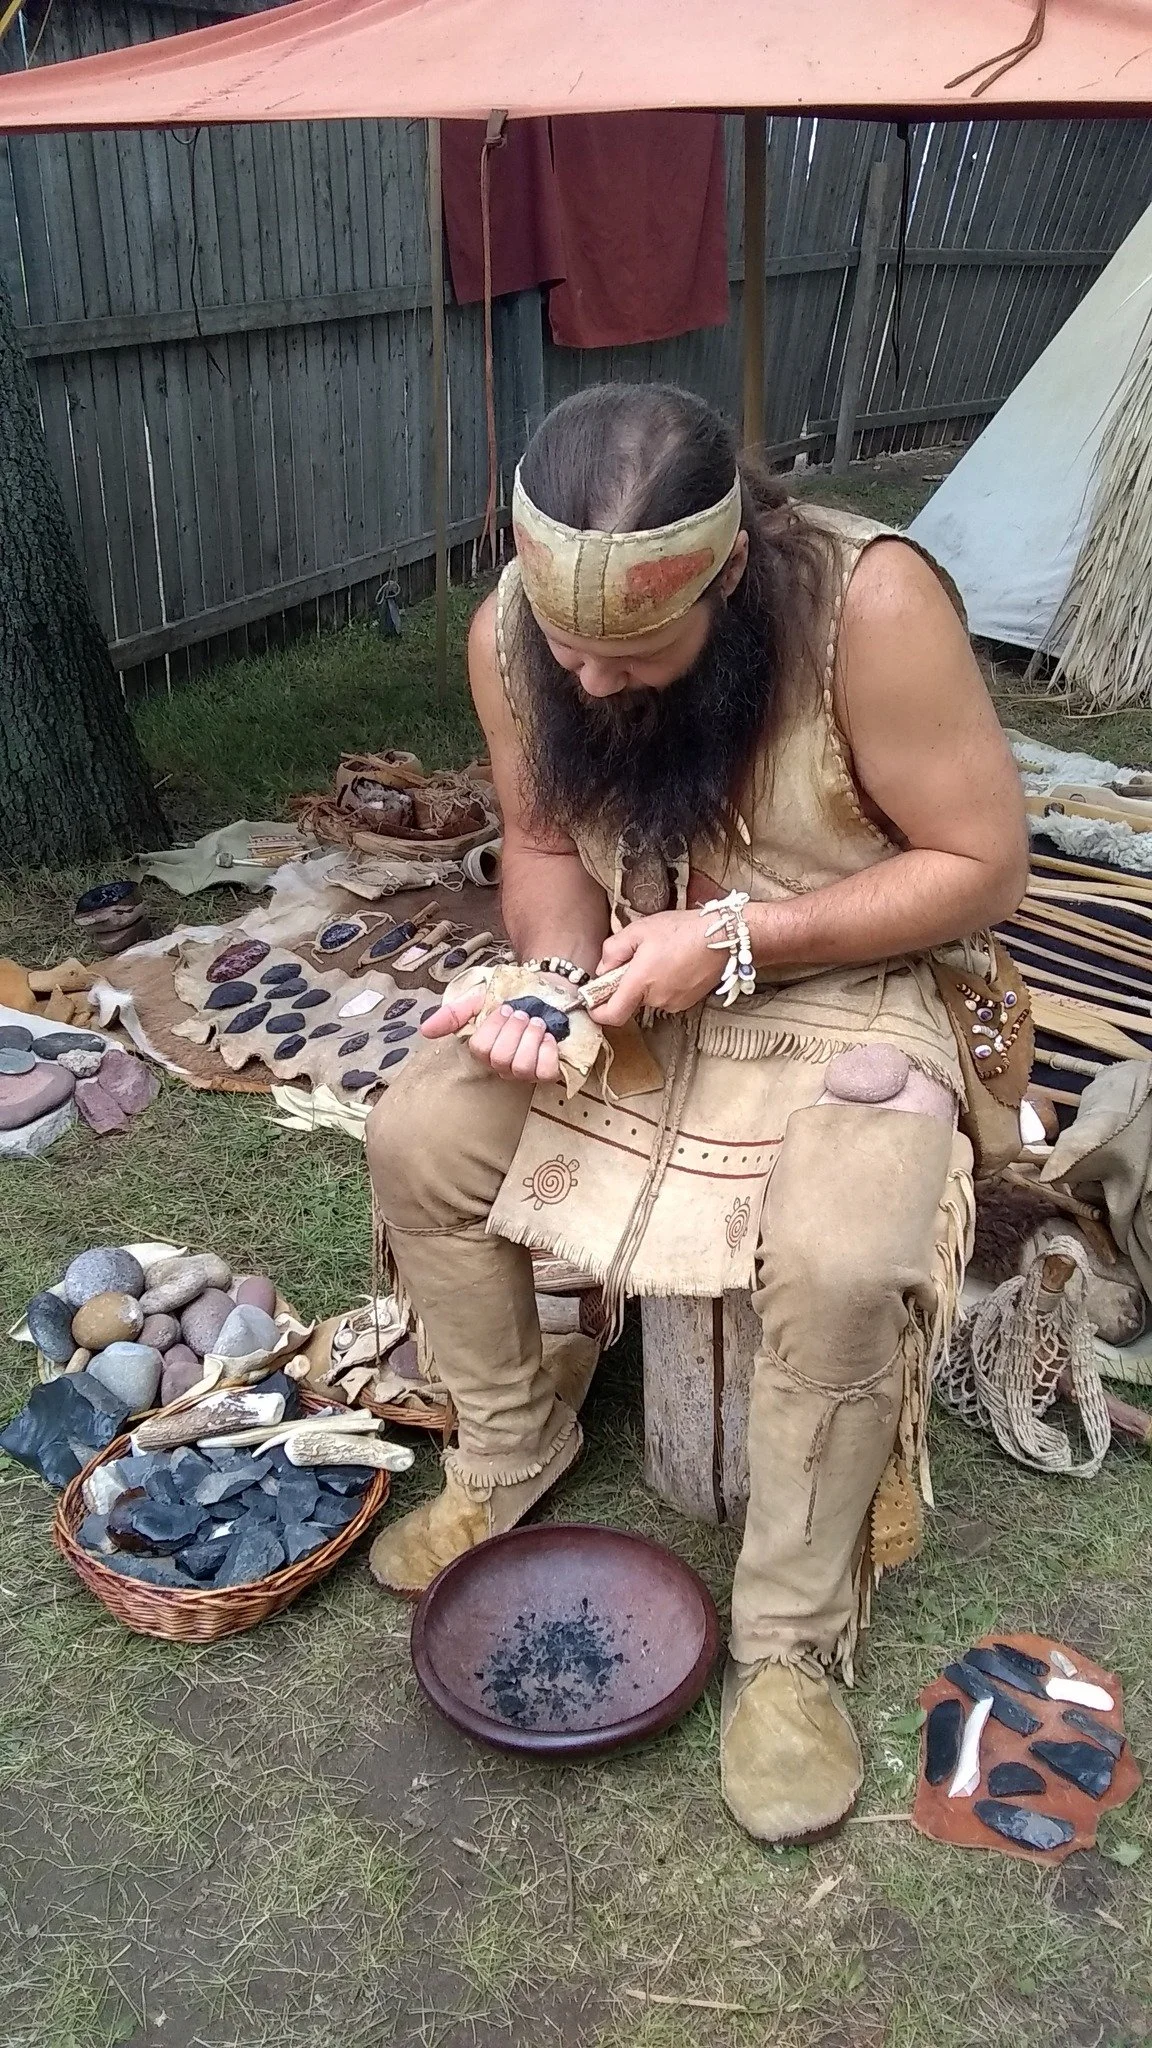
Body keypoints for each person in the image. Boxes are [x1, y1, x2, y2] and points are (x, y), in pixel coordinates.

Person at [366, 383, 1028, 1843]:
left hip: (847, 987)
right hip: (628, 983)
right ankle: (507, 1446)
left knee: (851, 1259)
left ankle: (788, 1642)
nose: (591, 684)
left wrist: (738, 941)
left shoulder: (875, 608)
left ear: (727, 577)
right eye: (567, 643)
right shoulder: (512, 635)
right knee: (421, 1129)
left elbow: (982, 863)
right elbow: (540, 841)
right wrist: (544, 980)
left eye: (634, 648)